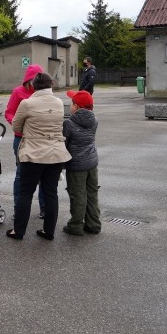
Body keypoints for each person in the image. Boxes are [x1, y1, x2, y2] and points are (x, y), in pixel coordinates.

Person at [6, 72, 71, 241]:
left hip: (33, 153)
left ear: (34, 85)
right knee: (51, 193)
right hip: (55, 153)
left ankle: (18, 231)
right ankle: (48, 231)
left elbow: (16, 127)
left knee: (26, 192)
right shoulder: (58, 102)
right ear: (51, 85)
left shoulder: (27, 103)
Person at [4, 64, 47, 218]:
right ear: (28, 80)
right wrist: (17, 124)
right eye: (34, 81)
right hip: (21, 138)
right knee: (21, 174)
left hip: (39, 138)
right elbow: (9, 113)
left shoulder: (43, 93)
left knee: (43, 175)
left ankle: (44, 207)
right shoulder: (18, 92)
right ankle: (19, 208)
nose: (36, 84)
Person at [62, 90, 101, 235]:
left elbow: (64, 145)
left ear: (76, 107)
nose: (70, 106)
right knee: (92, 193)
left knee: (77, 194)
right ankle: (94, 224)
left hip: (76, 165)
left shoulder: (69, 123)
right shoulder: (94, 120)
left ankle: (75, 225)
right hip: (92, 162)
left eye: (72, 103)